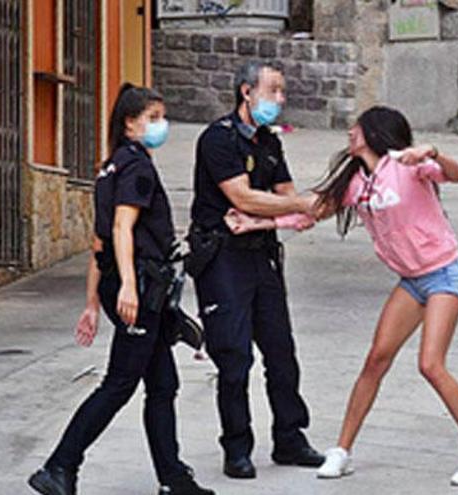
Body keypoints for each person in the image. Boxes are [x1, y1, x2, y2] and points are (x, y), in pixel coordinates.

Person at [229, 106, 458, 486]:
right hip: (411, 279)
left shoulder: (407, 165)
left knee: (430, 364)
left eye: (356, 127)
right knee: (376, 360)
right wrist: (261, 223)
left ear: (373, 133)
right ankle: (342, 451)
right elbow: (315, 212)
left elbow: (457, 176)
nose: (350, 132)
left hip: (442, 273)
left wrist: (433, 152)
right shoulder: (357, 180)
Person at [27, 84, 214, 495]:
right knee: (119, 384)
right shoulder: (136, 168)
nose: (161, 126)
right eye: (153, 118)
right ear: (130, 123)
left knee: (163, 385)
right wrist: (128, 287)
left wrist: (93, 302)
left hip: (130, 286)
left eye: (161, 117)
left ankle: (173, 478)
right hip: (138, 289)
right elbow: (119, 230)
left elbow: (99, 247)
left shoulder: (111, 166)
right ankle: (59, 467)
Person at [187, 61, 323, 479]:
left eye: (282, 92)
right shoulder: (218, 139)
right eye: (273, 91)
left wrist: (286, 205)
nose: (280, 100)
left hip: (261, 253)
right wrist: (300, 205)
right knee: (234, 356)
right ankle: (237, 447)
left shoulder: (268, 143)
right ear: (246, 92)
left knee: (281, 351)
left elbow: (281, 194)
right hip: (222, 257)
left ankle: (290, 437)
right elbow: (244, 198)